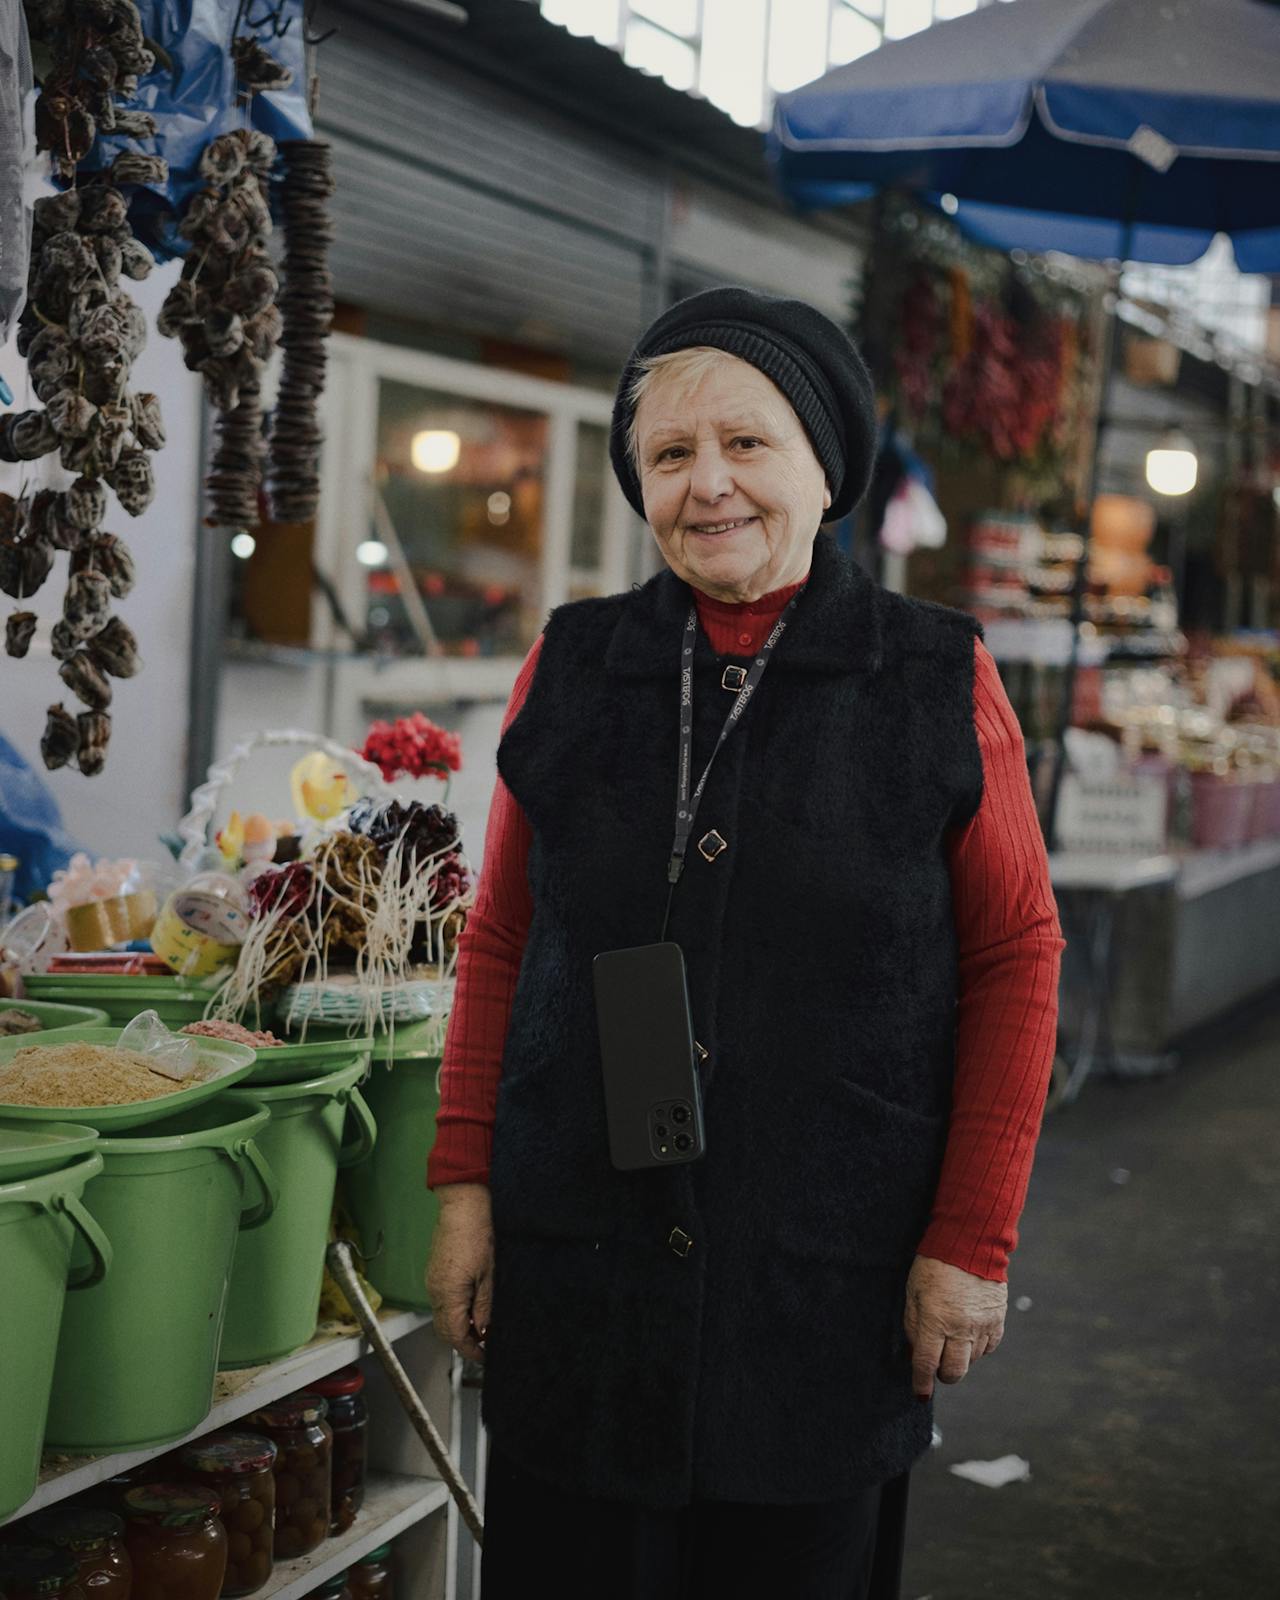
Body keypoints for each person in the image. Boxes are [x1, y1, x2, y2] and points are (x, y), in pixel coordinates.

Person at [425, 285, 1065, 1599]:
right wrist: (465, 1188)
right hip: (584, 1265)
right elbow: (501, 935)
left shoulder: (935, 678)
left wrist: (972, 1241)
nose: (706, 484)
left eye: (746, 444)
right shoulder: (575, 663)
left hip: (823, 1282)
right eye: (669, 455)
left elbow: (1017, 956)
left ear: (827, 467)